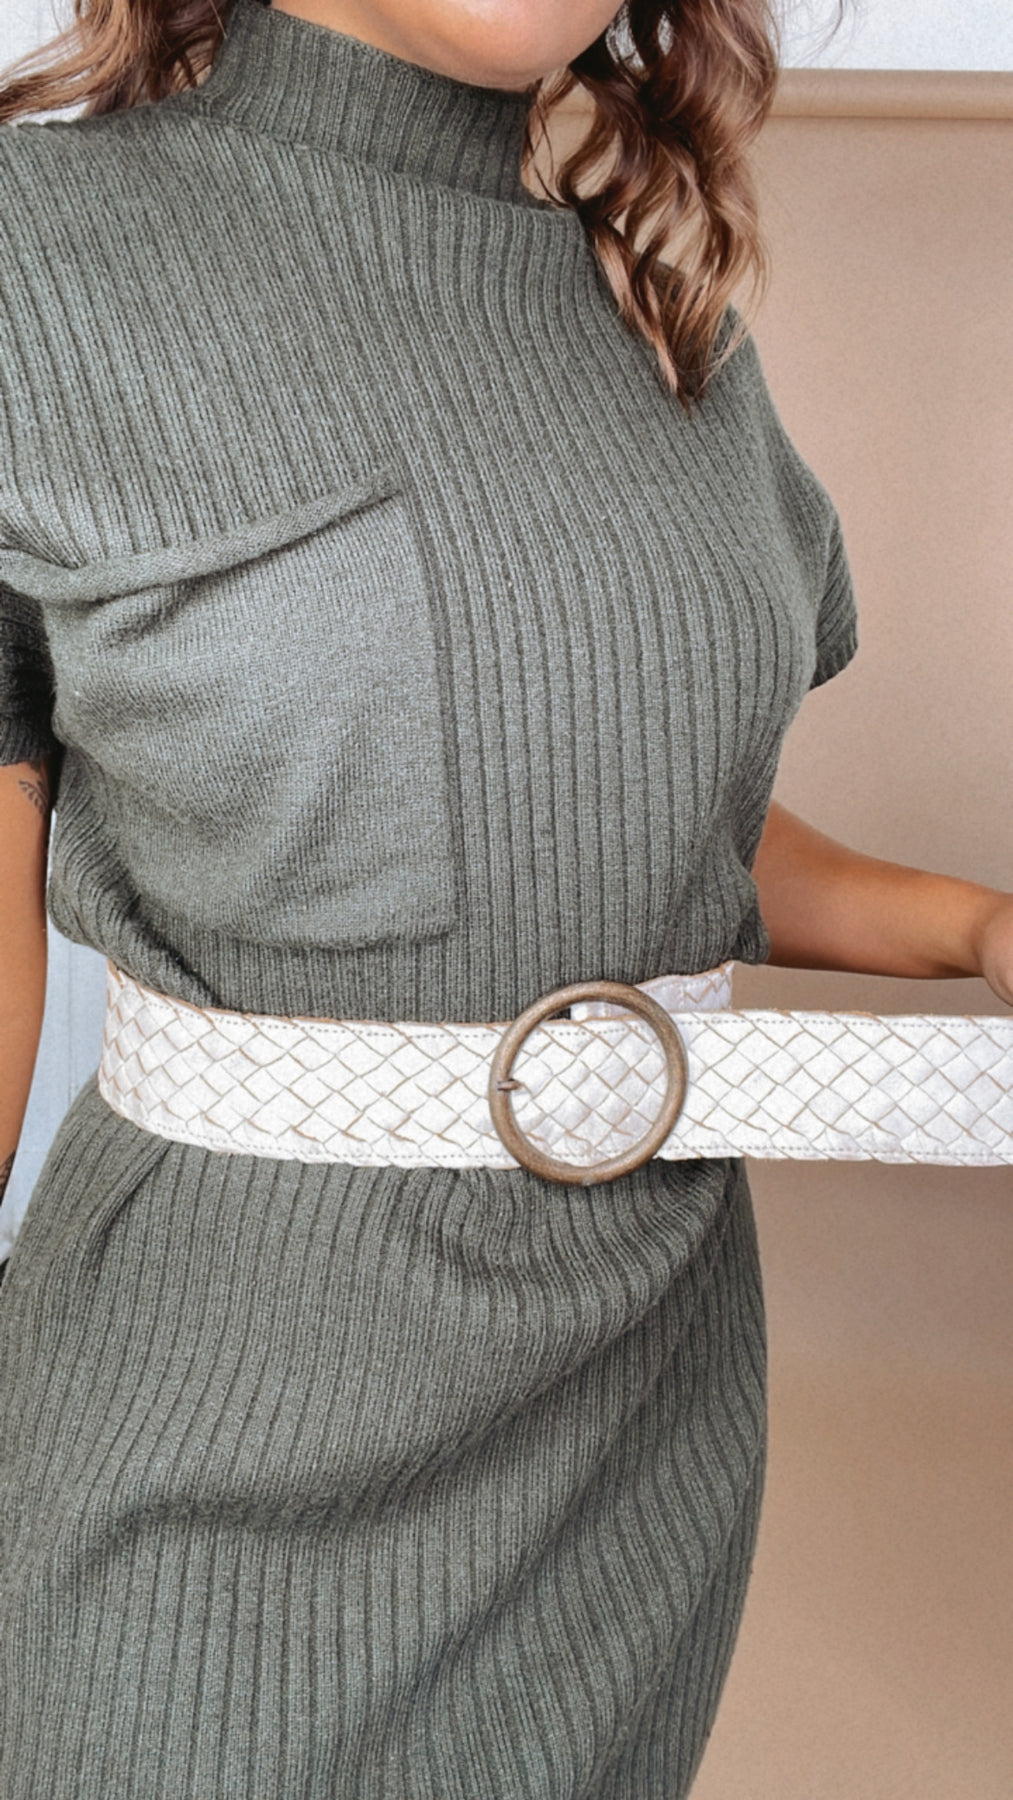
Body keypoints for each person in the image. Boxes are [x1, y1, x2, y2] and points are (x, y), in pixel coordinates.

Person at [0, 0, 1009, 1794]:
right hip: (206, 1451)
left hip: (640, 1436)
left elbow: (635, 809)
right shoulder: (32, 262)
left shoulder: (659, 299)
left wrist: (967, 926)